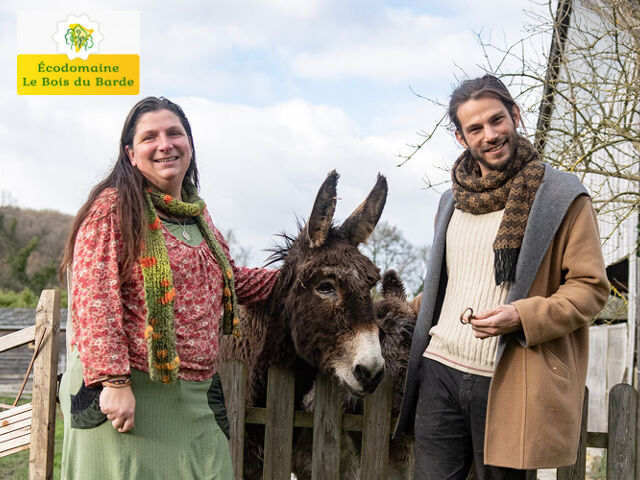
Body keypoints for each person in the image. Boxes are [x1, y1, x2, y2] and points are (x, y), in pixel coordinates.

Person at [394, 75, 609, 479]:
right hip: (438, 371)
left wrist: (522, 317)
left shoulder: (563, 197)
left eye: (497, 121)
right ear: (461, 138)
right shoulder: (450, 200)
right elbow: (448, 284)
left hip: (508, 376)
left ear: (516, 115)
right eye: (475, 128)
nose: (490, 135)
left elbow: (590, 288)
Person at [58, 96, 278, 479]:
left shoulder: (196, 214)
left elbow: (225, 280)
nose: (165, 144)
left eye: (174, 133)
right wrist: (114, 382)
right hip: (131, 389)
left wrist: (300, 277)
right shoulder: (113, 208)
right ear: (131, 153)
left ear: (189, 144)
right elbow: (94, 296)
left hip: (194, 394)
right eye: (150, 137)